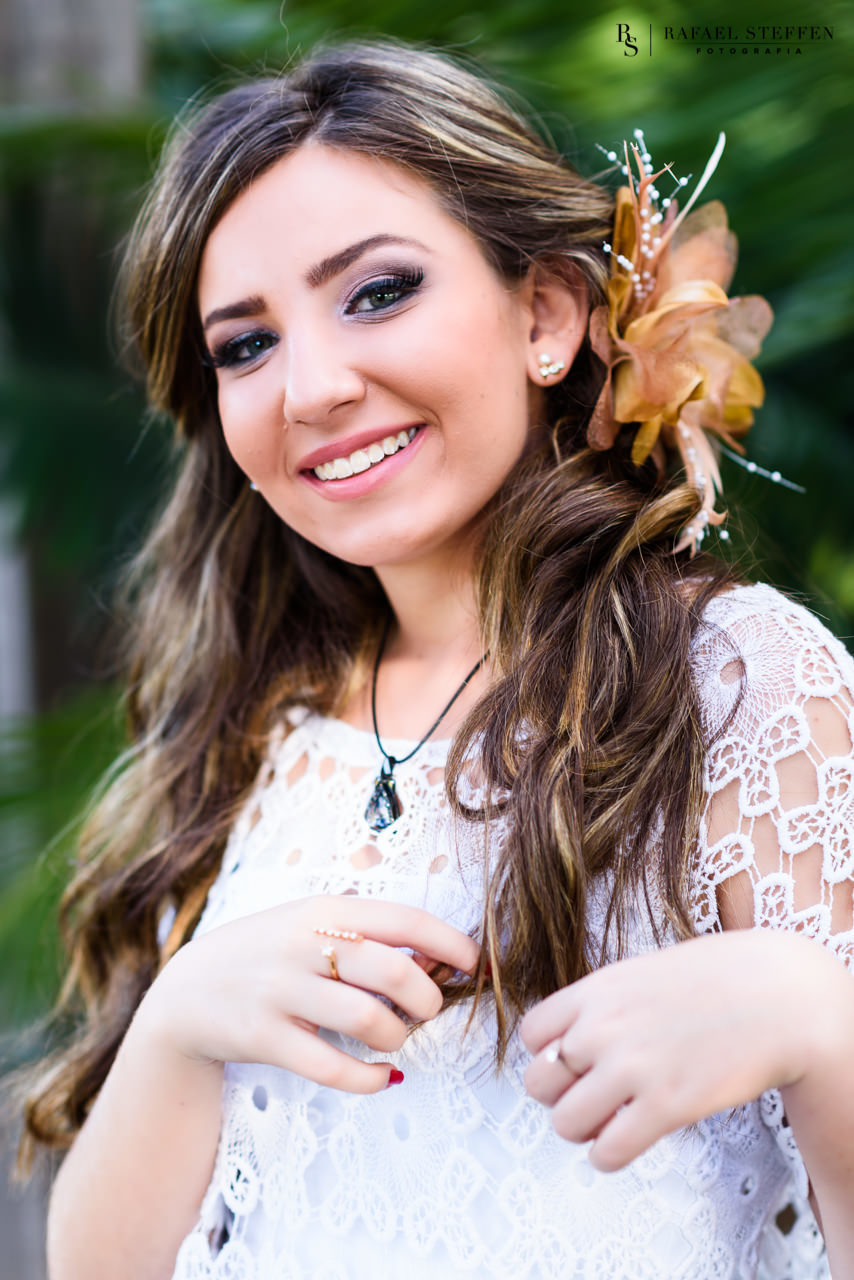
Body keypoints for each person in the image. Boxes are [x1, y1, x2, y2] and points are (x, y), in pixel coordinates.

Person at [19, 37, 854, 1280]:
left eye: (375, 291)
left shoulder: (732, 682)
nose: (309, 386)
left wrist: (814, 1017)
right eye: (243, 345)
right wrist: (177, 1029)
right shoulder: (251, 724)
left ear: (546, 315)